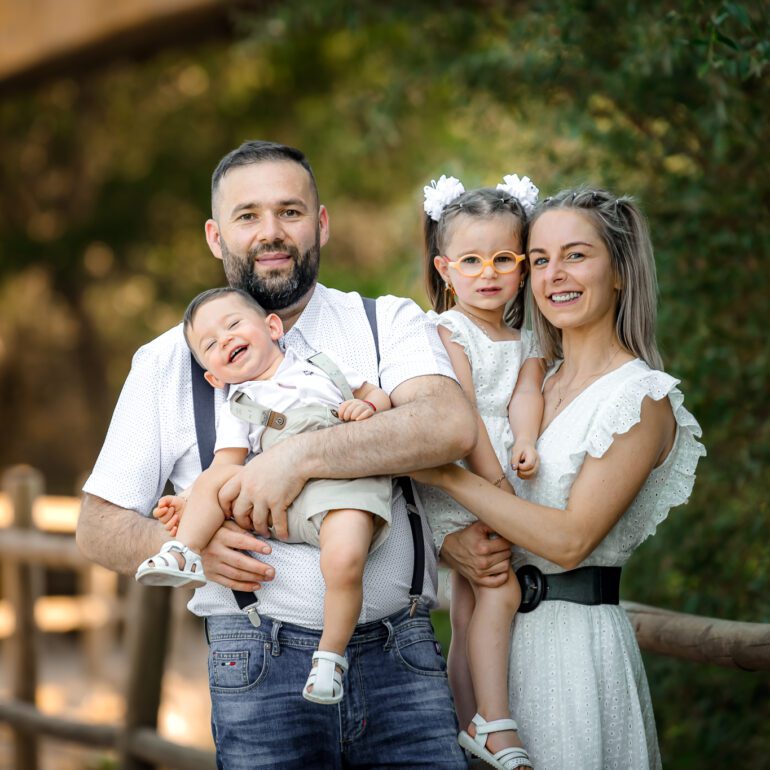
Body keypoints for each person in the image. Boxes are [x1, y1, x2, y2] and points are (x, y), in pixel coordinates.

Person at [77, 140, 477, 768]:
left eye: (290, 212)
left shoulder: (385, 323)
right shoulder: (164, 362)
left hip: (402, 659)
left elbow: (447, 425)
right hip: (255, 666)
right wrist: (189, 545)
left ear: (321, 223)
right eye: (248, 216)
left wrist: (297, 457)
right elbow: (97, 526)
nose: (271, 232)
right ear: (216, 237)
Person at [418, 187, 706, 769]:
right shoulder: (529, 383)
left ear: (619, 272)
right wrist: (452, 544)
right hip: (494, 646)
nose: (555, 275)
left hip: (573, 653)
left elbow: (570, 541)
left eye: (576, 255)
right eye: (541, 258)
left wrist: (445, 475)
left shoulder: (638, 398)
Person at [136, 286, 393, 706]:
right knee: (217, 477)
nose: (225, 340)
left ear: (272, 327)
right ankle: (184, 552)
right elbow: (224, 468)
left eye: (233, 325)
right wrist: (194, 500)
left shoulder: (320, 366)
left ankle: (329, 658)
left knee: (345, 561)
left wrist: (369, 408)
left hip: (345, 486)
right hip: (283, 504)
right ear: (214, 377)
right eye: (210, 345)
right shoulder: (239, 404)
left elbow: (376, 394)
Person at [418, 173, 546, 770]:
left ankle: (468, 723)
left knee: (472, 602)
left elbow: (526, 395)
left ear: (522, 266)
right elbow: (464, 417)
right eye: (471, 260)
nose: (487, 273)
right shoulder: (447, 331)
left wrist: (527, 439)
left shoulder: (528, 339)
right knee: (501, 587)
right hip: (467, 478)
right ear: (445, 270)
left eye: (503, 259)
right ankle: (495, 722)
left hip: (504, 477)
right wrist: (497, 486)